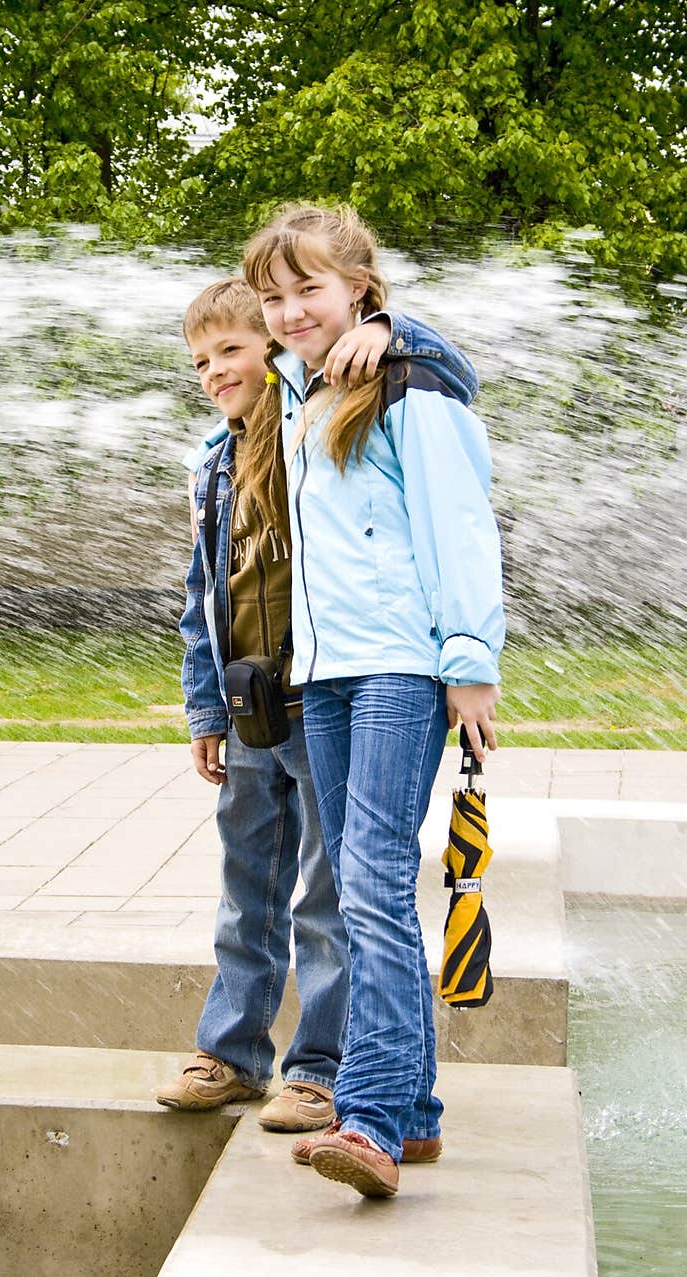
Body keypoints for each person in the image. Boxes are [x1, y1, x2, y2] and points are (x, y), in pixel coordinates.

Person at [239, 203, 506, 1195]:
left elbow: (458, 521)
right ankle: (417, 1110)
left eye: (307, 287)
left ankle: (375, 1118)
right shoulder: (295, 387)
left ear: (359, 284)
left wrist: (470, 657)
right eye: (273, 297)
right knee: (359, 879)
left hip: (400, 663)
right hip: (325, 670)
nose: (288, 310)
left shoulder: (410, 373)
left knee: (371, 879)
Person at [157, 277, 413, 1131]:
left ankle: (320, 1070)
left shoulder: (317, 425)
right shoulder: (211, 463)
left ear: (271, 350)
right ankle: (232, 1055)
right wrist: (206, 709)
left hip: (326, 692)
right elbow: (203, 596)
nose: (213, 371)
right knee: (247, 886)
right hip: (250, 702)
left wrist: (382, 325)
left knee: (326, 894)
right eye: (200, 361)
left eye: (230, 350)